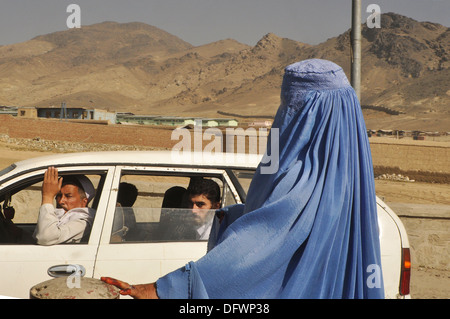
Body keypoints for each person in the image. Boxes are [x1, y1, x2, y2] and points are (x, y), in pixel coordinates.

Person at [102, 59, 384, 299]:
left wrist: (167, 289)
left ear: (312, 112)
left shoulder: (297, 180)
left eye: (293, 105)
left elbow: (259, 245)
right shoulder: (352, 178)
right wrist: (231, 216)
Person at [33, 167, 96, 245]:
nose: (61, 201)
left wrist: (47, 196)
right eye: (59, 195)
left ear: (84, 202)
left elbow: (46, 237)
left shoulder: (84, 222)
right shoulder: (60, 216)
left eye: (68, 196)